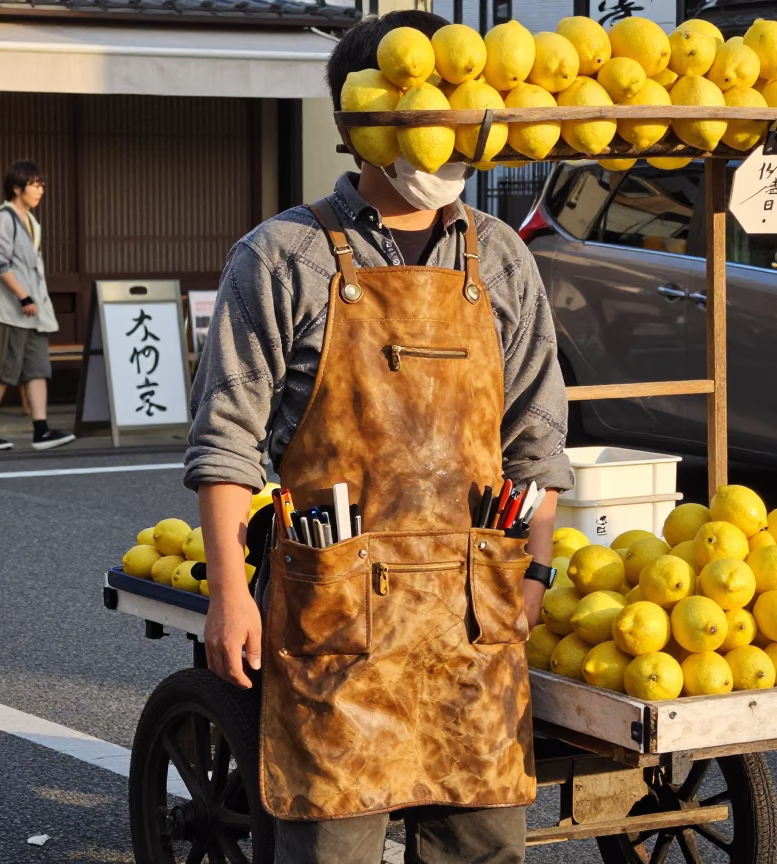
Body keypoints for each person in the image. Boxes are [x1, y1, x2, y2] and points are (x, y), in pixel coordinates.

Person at [183, 11, 574, 862]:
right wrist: (229, 592)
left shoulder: (503, 256)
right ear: (359, 121)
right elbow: (226, 442)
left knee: (484, 847)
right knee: (332, 849)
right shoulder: (283, 255)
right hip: (336, 620)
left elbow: (536, 438)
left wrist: (533, 567)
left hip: (475, 618)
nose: (442, 138)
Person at [0, 161, 75, 452]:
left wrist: (34, 301)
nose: (41, 190)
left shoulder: (30, 219)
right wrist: (22, 296)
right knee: (2, 370)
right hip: (11, 311)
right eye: (35, 185)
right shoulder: (4, 217)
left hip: (34, 312)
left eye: (42, 185)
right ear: (17, 187)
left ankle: (41, 430)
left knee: (37, 369)